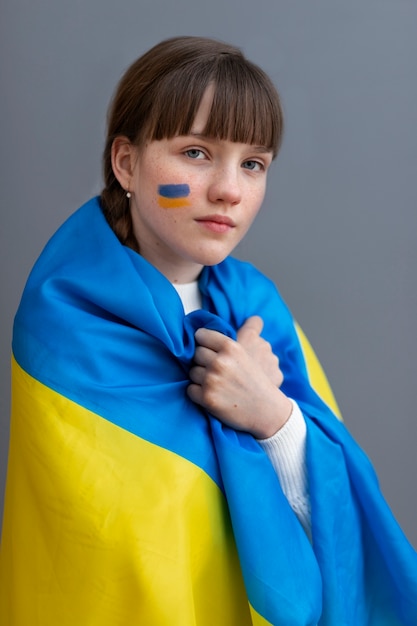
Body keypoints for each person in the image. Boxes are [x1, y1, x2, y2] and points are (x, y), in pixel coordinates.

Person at [0, 36, 416, 626]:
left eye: (253, 164)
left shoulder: (260, 314)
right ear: (127, 162)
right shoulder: (66, 324)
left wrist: (273, 418)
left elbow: (340, 533)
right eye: (196, 153)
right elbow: (97, 551)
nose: (230, 189)